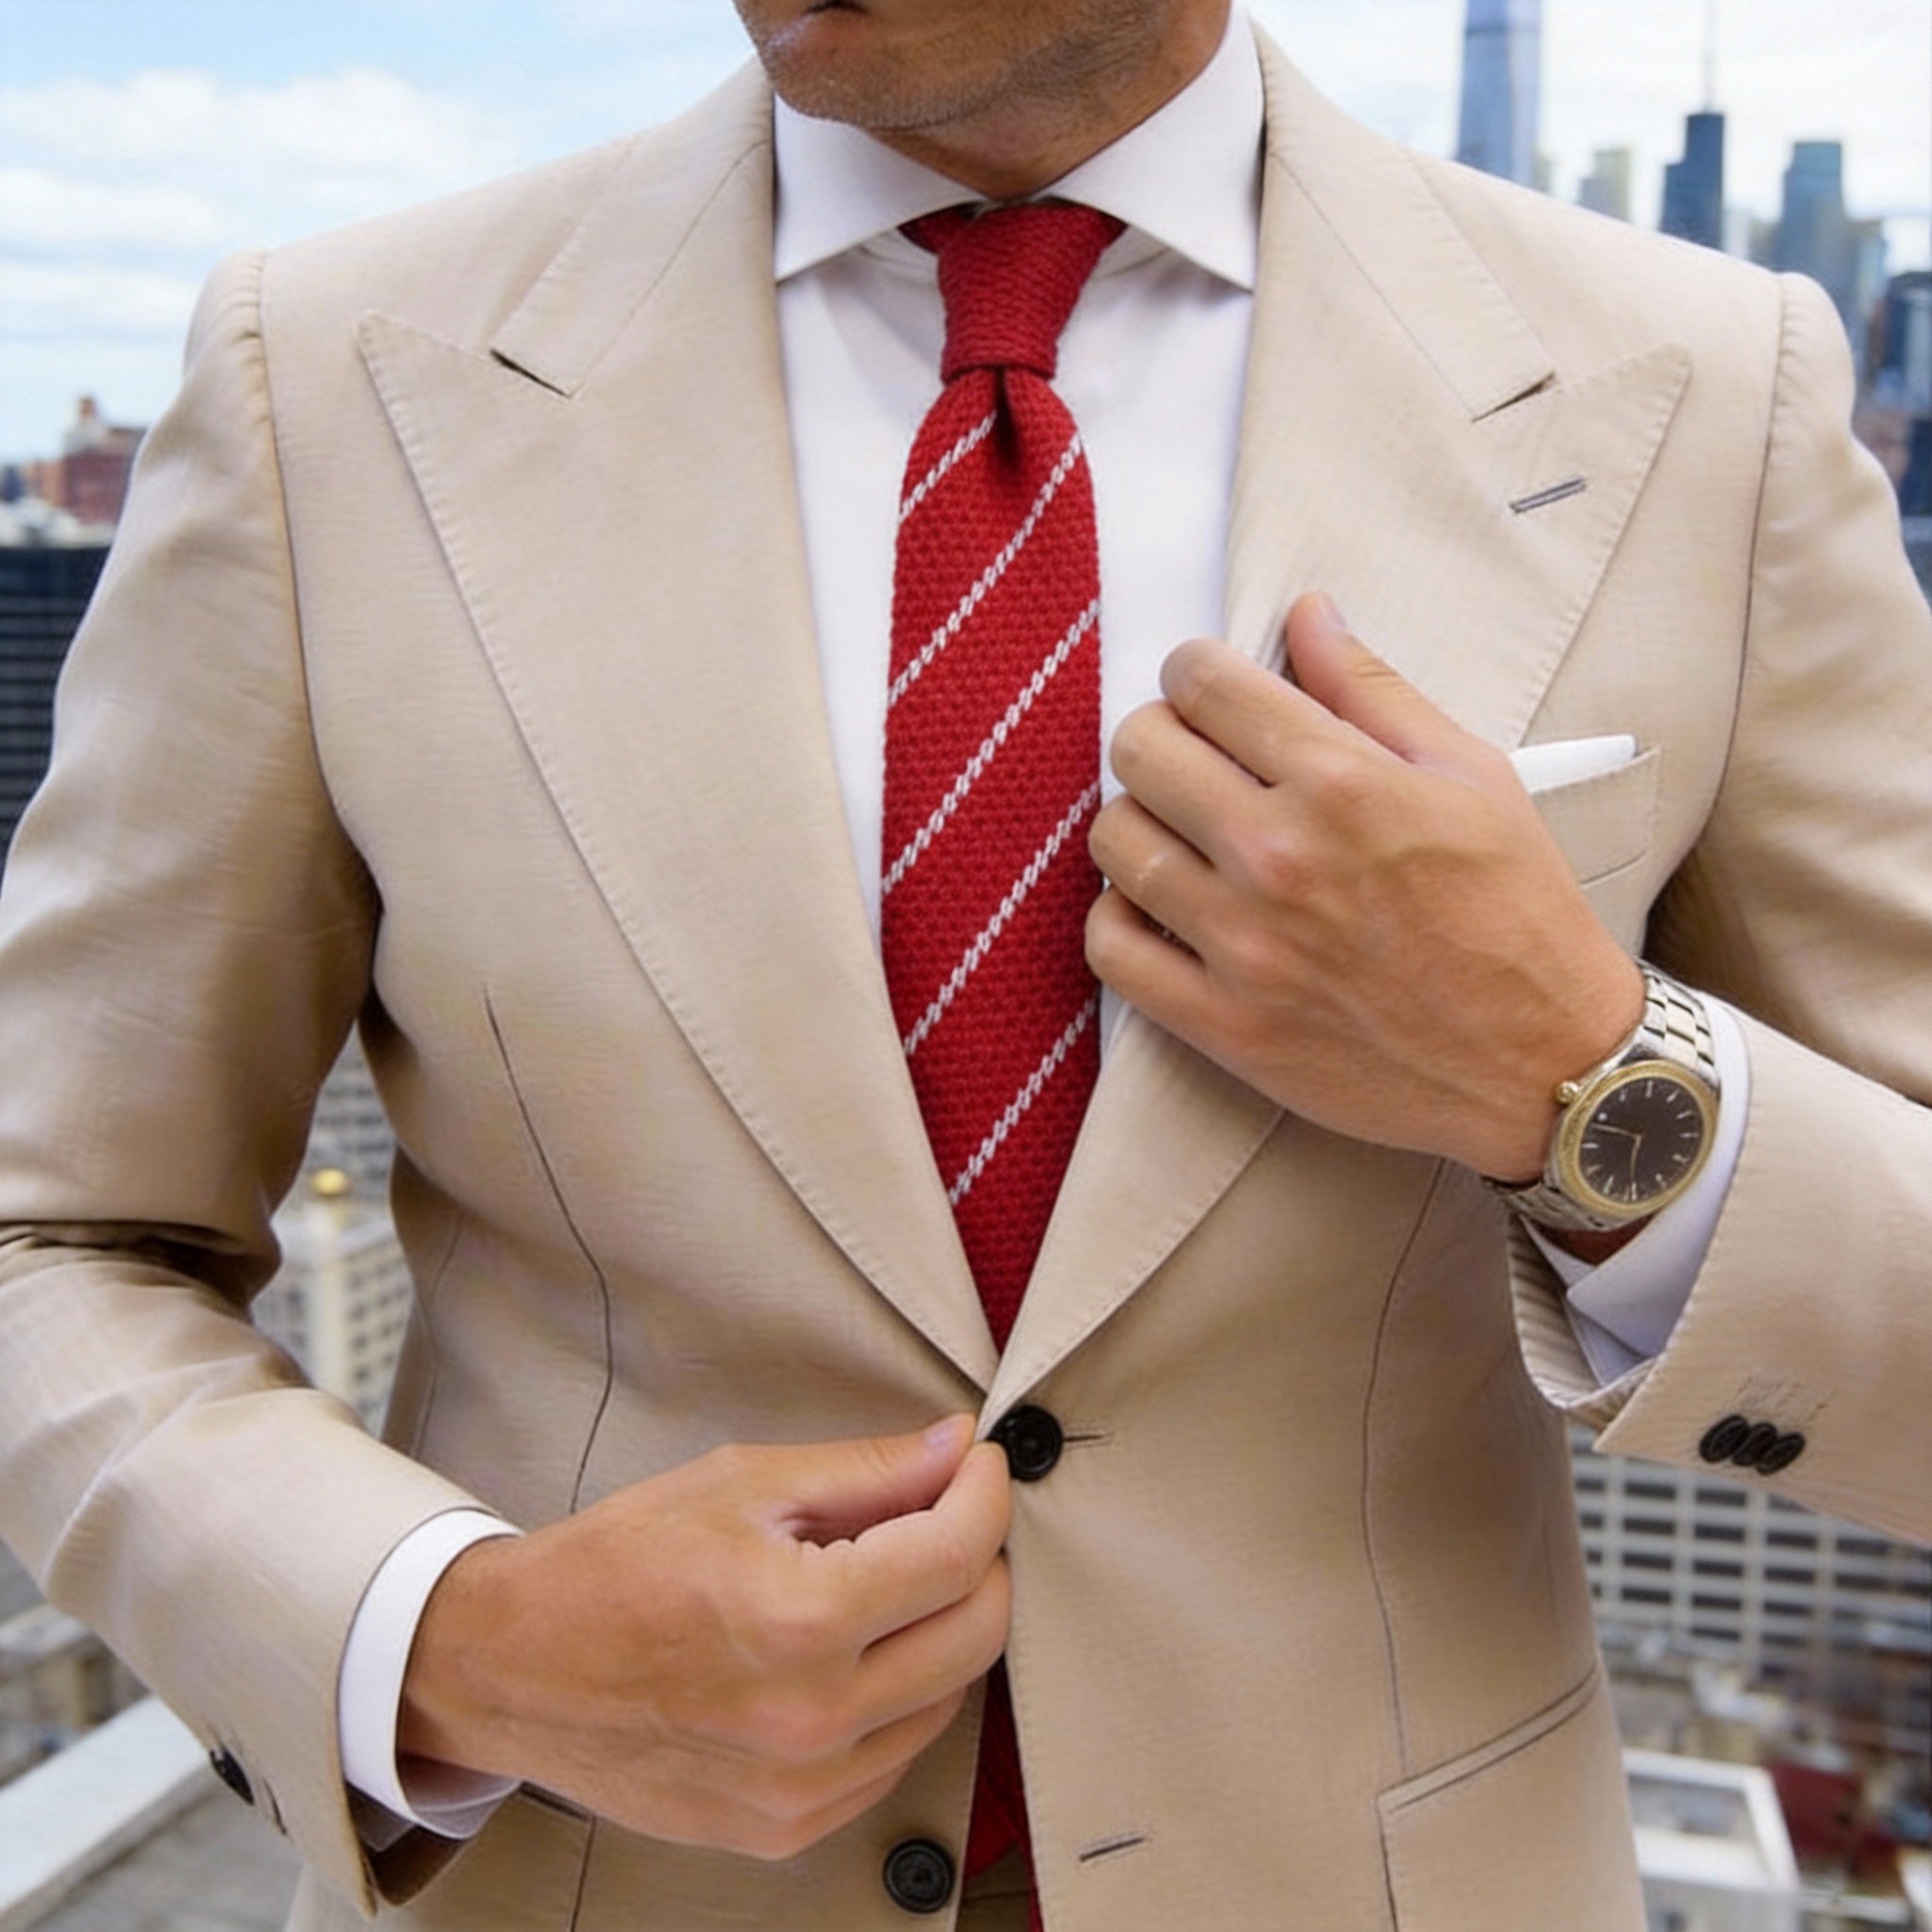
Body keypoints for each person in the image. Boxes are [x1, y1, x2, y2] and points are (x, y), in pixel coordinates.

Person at [0, 0, 1927, 1926]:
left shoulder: (1706, 393)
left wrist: (1584, 1077)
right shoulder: (325, 375)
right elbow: (52, 1234)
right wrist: (449, 1640)